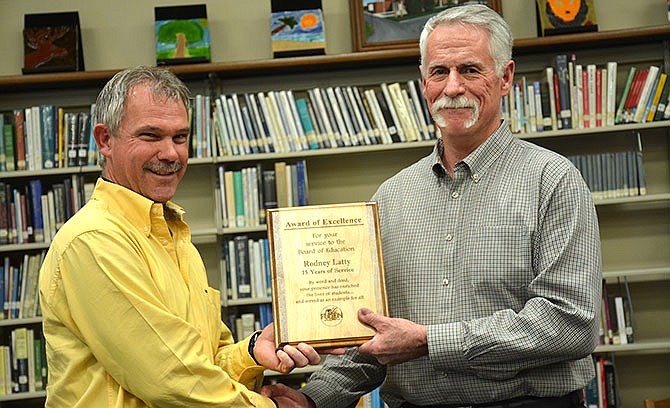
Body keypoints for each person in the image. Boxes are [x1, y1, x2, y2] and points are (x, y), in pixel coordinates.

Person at [262, 4, 601, 408]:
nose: (452, 87)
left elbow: (570, 323)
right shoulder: (389, 198)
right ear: (423, 82)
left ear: (506, 77)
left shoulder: (553, 180)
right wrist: (313, 399)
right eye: (439, 72)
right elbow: (371, 338)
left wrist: (428, 342)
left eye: (470, 70)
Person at [38, 66, 336, 407]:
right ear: (105, 140)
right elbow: (171, 380)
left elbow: (201, 362)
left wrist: (253, 351)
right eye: (151, 136)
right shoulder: (94, 240)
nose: (171, 154)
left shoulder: (174, 236)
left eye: (180, 137)